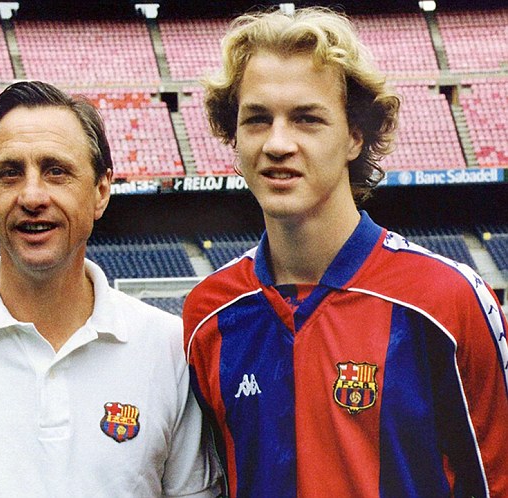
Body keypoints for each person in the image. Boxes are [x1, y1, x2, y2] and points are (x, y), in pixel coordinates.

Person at [182, 7, 508, 498]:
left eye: (307, 119)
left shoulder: (447, 301)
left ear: (355, 135)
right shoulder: (207, 313)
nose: (277, 143)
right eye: (257, 119)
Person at [0, 81, 221, 497]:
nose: (32, 196)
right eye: (10, 173)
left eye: (56, 171)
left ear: (101, 191)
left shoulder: (169, 351)